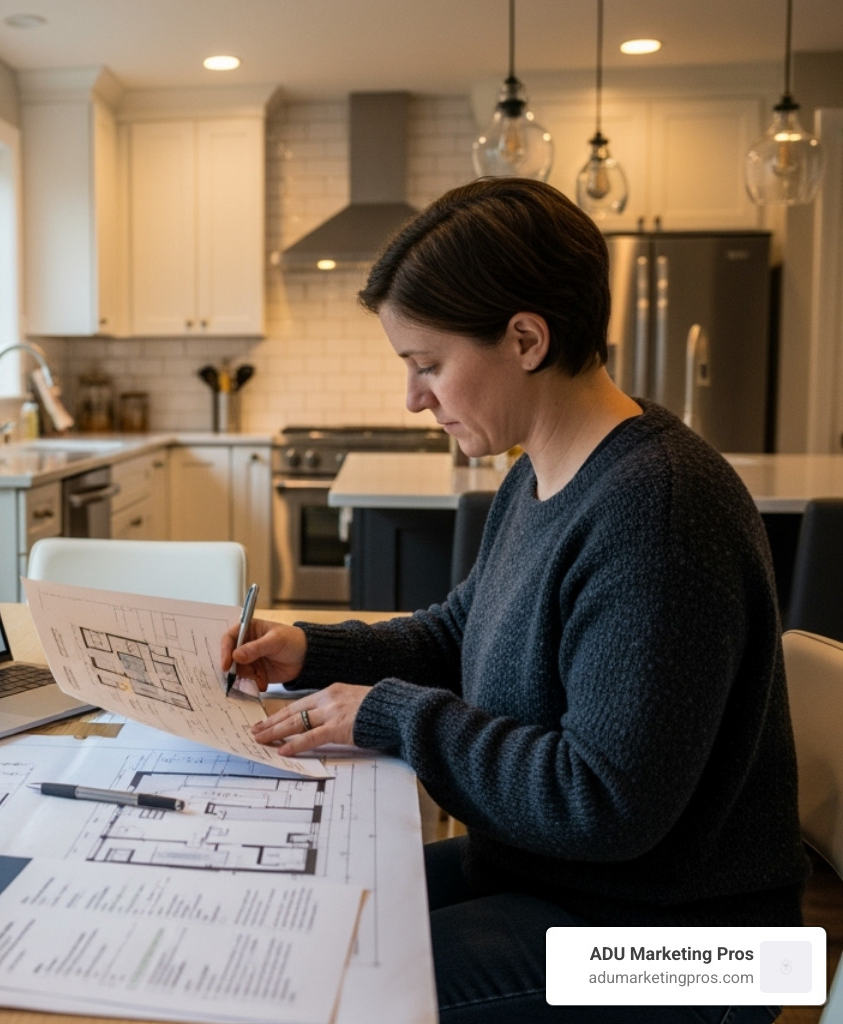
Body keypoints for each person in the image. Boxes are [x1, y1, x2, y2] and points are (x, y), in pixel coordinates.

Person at [224, 177, 809, 1023]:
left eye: (427, 365)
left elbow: (601, 803)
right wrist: (310, 651)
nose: (413, 398)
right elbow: (462, 633)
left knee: (318, 989)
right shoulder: (539, 472)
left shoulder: (660, 509)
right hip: (560, 882)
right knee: (290, 926)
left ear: (526, 338)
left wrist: (391, 716)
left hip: (689, 947)